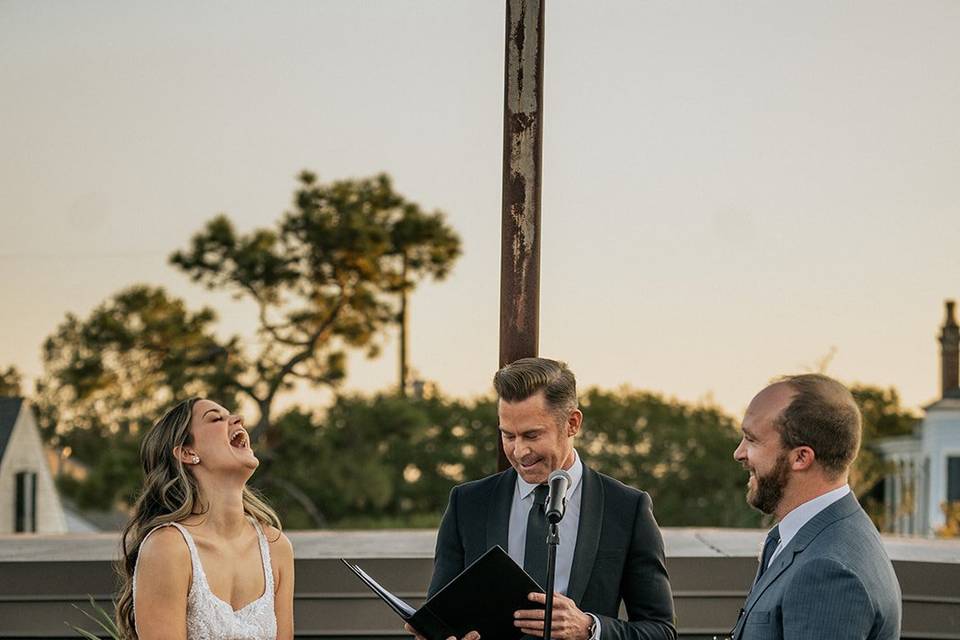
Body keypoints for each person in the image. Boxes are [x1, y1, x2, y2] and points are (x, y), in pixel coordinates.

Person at [408, 357, 676, 640]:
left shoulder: (626, 509)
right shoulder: (467, 504)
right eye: (508, 436)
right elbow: (438, 621)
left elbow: (661, 631)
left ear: (573, 423)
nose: (520, 451)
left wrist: (589, 628)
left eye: (532, 435)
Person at [729, 374, 901, 640]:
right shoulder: (807, 537)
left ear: (801, 457)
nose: (739, 453)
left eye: (751, 440)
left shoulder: (827, 571)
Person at [115, 397, 295, 640]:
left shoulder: (276, 547)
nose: (238, 419)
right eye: (216, 418)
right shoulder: (168, 548)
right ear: (187, 453)